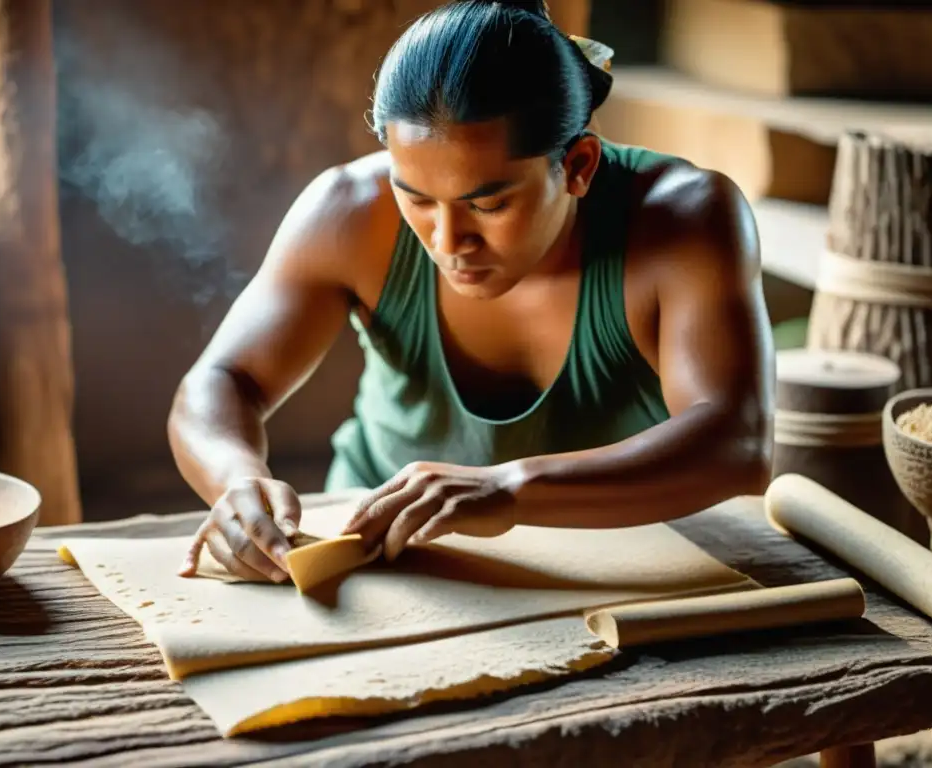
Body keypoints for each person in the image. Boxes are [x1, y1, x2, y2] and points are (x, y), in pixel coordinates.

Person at [167, 0, 775, 582]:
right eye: (416, 197)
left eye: (488, 203)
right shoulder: (349, 212)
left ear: (581, 165)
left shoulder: (682, 221)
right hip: (376, 560)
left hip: (620, 566)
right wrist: (235, 478)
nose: (449, 240)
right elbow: (222, 380)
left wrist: (509, 489)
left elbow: (737, 441)